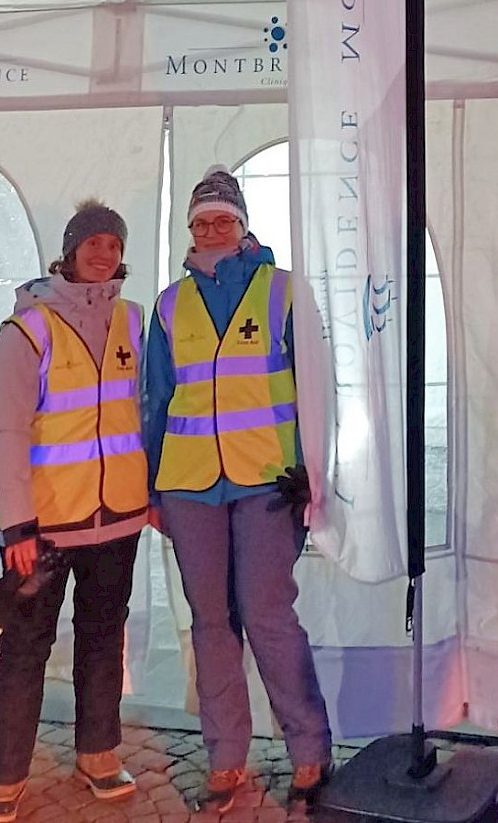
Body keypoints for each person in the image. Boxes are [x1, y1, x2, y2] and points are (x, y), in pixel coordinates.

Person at [144, 166, 331, 812]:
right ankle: (226, 759)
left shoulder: (283, 291)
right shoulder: (170, 304)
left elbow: (318, 386)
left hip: (267, 483)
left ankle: (310, 750)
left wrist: (317, 468)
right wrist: (153, 488)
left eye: (224, 218)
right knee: (211, 623)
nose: (214, 229)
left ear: (244, 225)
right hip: (189, 487)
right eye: (202, 221)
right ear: (191, 230)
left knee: (267, 614)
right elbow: (157, 400)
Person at [0, 201, 146, 823]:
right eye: (92, 242)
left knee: (103, 637)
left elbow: (147, 408)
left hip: (118, 517)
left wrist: (151, 497)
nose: (103, 252)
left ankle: (98, 755)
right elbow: (6, 430)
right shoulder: (28, 329)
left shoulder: (133, 320)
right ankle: (5, 779)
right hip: (44, 526)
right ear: (70, 251)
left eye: (113, 244)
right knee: (25, 646)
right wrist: (17, 524)